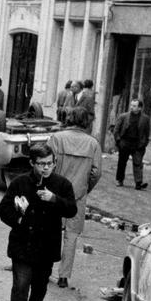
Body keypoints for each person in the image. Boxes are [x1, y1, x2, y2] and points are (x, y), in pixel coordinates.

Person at [0, 143, 76, 301]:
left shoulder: (62, 185)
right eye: (41, 164)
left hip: (46, 246)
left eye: (50, 163)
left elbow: (71, 210)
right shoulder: (20, 183)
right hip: (23, 244)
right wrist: (19, 220)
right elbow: (4, 208)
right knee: (20, 286)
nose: (46, 168)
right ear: (32, 163)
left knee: (39, 287)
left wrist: (54, 199)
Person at [48, 107, 101, 289]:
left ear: (69, 118)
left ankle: (46, 268)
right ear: (86, 121)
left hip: (55, 194)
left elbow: (47, 165)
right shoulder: (93, 144)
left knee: (50, 230)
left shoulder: (57, 138)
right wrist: (85, 189)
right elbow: (96, 173)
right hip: (77, 196)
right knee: (71, 236)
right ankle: (63, 277)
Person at [112, 98, 150, 189]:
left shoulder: (145, 119)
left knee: (138, 163)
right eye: (131, 105)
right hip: (125, 142)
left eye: (134, 106)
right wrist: (119, 141)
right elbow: (116, 130)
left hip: (137, 144)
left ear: (140, 108)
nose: (132, 107)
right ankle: (119, 180)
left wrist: (143, 144)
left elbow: (146, 133)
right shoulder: (123, 116)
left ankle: (138, 183)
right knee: (122, 162)